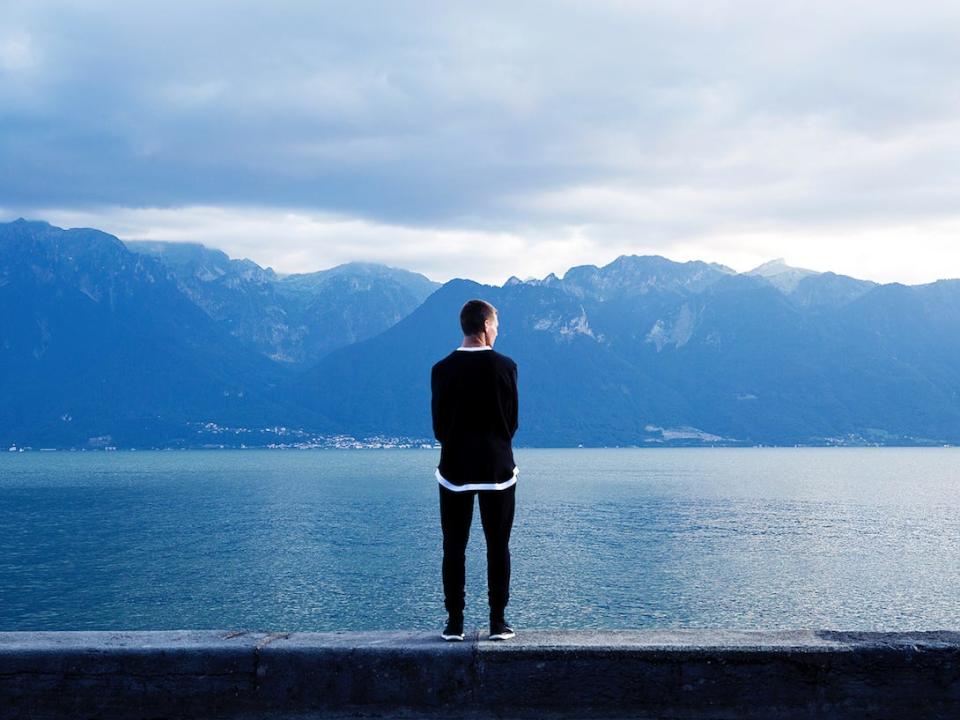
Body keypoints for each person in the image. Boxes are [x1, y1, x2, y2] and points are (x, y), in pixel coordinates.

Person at [431, 299, 519, 641]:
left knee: (454, 546)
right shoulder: (506, 366)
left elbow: (439, 425)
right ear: (484, 327)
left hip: (454, 469)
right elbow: (512, 422)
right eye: (495, 324)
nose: (497, 330)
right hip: (498, 469)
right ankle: (498, 621)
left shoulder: (441, 369)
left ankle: (455, 623)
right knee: (498, 545)